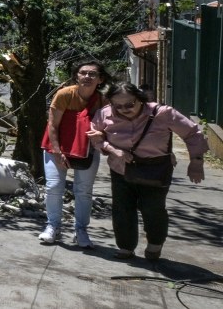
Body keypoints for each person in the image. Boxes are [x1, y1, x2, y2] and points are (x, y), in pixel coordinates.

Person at [87, 83, 207, 261]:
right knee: (122, 209)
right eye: (117, 106)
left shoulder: (163, 113)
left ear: (140, 98)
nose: (124, 109)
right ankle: (126, 247)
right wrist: (112, 149)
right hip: (121, 169)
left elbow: (193, 133)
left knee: (153, 209)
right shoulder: (105, 113)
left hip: (155, 169)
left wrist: (196, 162)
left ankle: (154, 245)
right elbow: (95, 135)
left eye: (129, 104)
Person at [37, 60, 108, 247]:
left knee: (84, 191)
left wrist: (102, 134)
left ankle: (81, 230)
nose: (87, 77)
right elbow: (52, 125)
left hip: (87, 150)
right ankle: (53, 226)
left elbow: (109, 126)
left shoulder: (102, 100)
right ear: (76, 76)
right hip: (56, 147)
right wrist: (58, 152)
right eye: (83, 73)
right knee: (53, 187)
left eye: (92, 74)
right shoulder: (65, 94)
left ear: (100, 79)